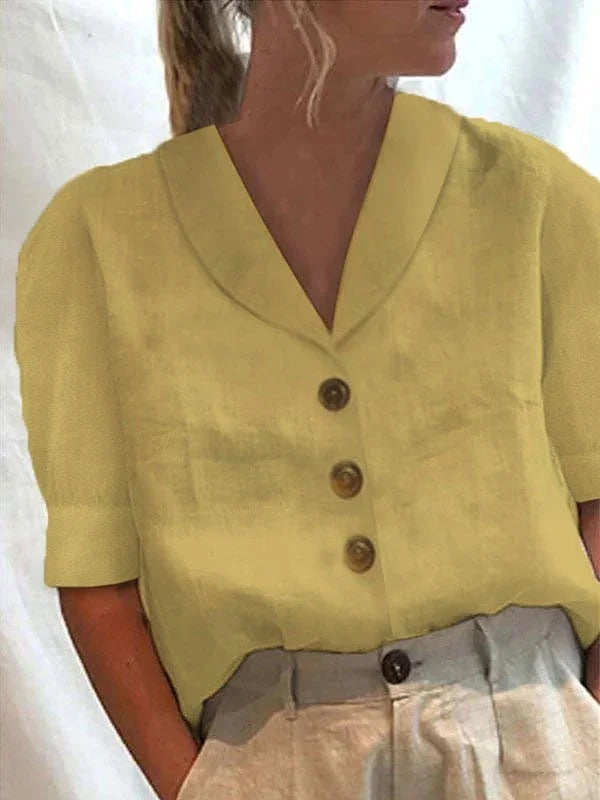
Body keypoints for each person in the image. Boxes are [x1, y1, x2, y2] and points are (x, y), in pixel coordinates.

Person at [14, 1, 600, 799]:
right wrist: (202, 788)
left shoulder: (537, 201)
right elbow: (98, 582)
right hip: (274, 762)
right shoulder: (96, 243)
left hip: (542, 747)